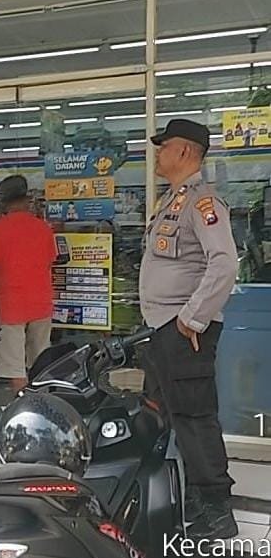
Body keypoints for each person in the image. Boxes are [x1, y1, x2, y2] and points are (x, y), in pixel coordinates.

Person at [139, 118, 239, 541]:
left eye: (163, 146)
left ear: (184, 151)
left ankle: (217, 513)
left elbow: (225, 263)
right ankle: (182, 499)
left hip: (184, 332)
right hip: (161, 330)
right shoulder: (172, 199)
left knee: (195, 419)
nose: (157, 153)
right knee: (164, 416)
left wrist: (191, 318)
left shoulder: (202, 202)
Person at [0, 175, 56, 393]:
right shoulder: (43, 228)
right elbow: (49, 262)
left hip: (8, 306)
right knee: (41, 364)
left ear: (3, 201)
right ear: (27, 199)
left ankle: (23, 407)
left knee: (15, 370)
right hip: (40, 304)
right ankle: (43, 405)